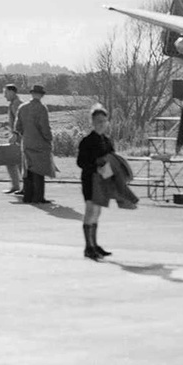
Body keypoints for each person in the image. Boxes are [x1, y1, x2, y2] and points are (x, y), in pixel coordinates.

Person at [76, 104, 118, 261]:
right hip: (89, 179)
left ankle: (94, 244)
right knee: (91, 210)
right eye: (98, 120)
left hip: (102, 181)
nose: (101, 123)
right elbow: (81, 162)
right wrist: (96, 168)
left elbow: (112, 160)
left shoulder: (107, 141)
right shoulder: (87, 141)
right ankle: (88, 246)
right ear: (92, 122)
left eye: (104, 120)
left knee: (97, 211)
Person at [15, 84, 54, 204]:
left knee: (28, 170)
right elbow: (44, 127)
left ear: (31, 94)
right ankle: (38, 197)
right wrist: (49, 138)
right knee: (39, 170)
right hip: (40, 143)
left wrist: (25, 135)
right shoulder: (41, 108)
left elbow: (17, 126)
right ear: (41, 95)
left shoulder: (22, 107)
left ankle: (28, 196)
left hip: (26, 142)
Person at [0, 84, 24, 194]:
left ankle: (20, 187)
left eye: (5, 93)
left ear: (11, 92)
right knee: (12, 161)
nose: (4, 96)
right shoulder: (14, 103)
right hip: (16, 136)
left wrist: (15, 134)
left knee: (17, 162)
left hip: (18, 138)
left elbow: (21, 121)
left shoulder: (17, 104)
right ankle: (16, 186)